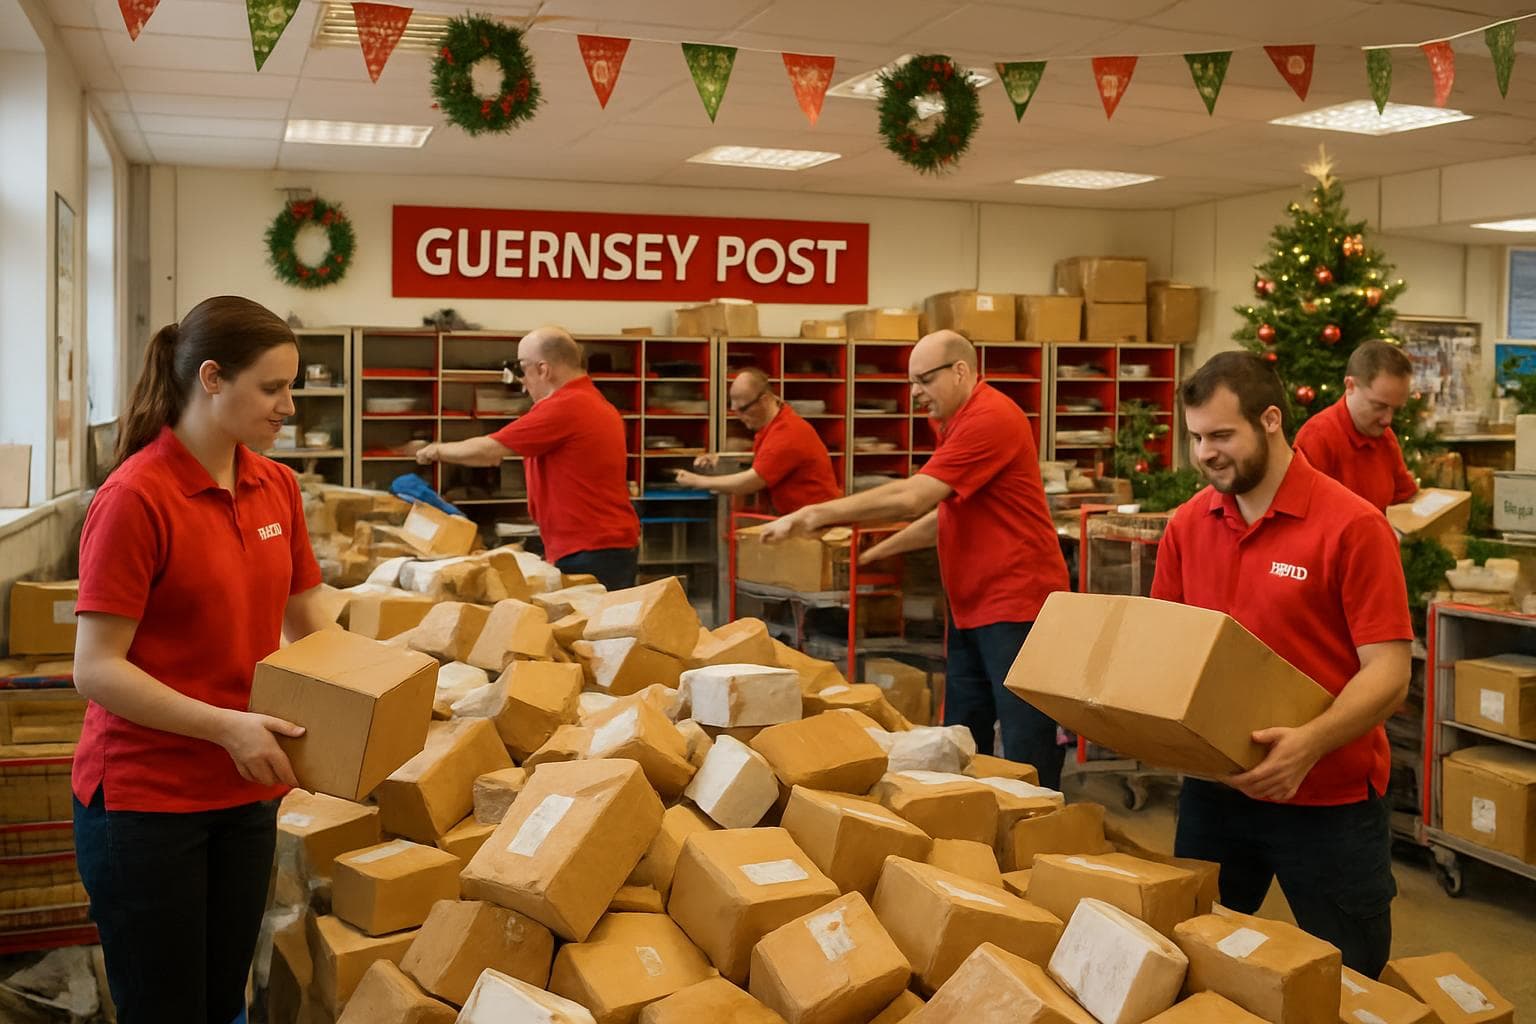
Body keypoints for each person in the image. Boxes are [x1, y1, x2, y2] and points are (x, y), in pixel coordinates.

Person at [71, 296, 335, 1023]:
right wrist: (225, 726)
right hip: (147, 803)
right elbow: (95, 668)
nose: (288, 406)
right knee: (167, 1009)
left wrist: (379, 696)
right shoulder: (136, 497)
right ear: (211, 378)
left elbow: (313, 620)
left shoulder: (275, 484)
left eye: (293, 387)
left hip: (247, 789)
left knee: (222, 1000)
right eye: (273, 388)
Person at [1151, 351, 1413, 977]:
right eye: (1195, 438)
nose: (1206, 453)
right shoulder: (1187, 527)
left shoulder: (1352, 527)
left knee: (1351, 977)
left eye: (1221, 435)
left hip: (1330, 796)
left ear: (1270, 420)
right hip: (1218, 790)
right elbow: (1166, 647)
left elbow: (1389, 671)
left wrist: (1308, 744)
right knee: (1194, 959)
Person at [759, 330, 1071, 785]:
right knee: (963, 733)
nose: (915, 394)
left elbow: (913, 497)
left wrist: (816, 514)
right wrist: (879, 551)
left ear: (960, 371)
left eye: (924, 380)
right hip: (971, 605)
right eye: (911, 383)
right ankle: (973, 830)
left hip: (1016, 604)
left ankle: (1044, 834)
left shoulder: (991, 417)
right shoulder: (954, 422)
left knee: (1026, 737)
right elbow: (948, 512)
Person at [416, 327, 640, 589]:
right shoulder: (591, 401)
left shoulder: (567, 406)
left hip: (592, 548)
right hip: (599, 544)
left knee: (589, 627)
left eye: (522, 368)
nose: (522, 380)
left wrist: (436, 450)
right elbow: (490, 458)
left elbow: (489, 450)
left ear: (543, 370)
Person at [673, 368, 842, 514]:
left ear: (765, 400)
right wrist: (722, 458)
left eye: (744, 409)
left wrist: (696, 481)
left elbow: (750, 482)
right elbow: (767, 458)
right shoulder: (775, 422)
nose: (739, 417)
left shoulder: (788, 433)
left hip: (815, 523)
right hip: (796, 517)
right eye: (734, 410)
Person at [1291, 340, 1418, 514]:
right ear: (1350, 386)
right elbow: (1303, 517)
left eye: (1395, 409)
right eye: (1379, 406)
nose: (1387, 420)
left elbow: (1405, 497)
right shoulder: (1317, 437)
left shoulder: (1385, 438)